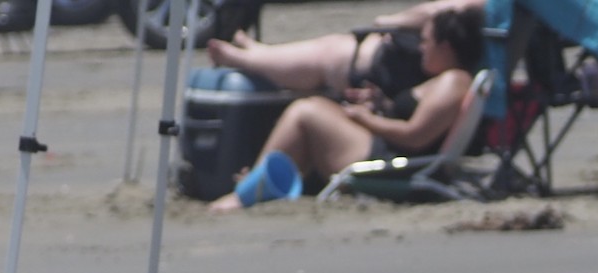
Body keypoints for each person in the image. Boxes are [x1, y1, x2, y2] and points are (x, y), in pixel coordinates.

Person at [208, 6, 484, 213]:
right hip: (390, 153)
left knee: (306, 112)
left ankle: (246, 193)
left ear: (446, 47)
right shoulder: (445, 81)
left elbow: (415, 136)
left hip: (393, 162)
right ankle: (259, 184)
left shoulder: (453, 82)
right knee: (314, 108)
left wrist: (366, 119)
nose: (421, 49)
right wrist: (381, 105)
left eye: (426, 42)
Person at [204, 0, 485, 96]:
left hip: (404, 69)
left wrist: (391, 21)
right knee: (335, 47)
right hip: (410, 60)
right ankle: (257, 53)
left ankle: (245, 59)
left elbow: (444, 10)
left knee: (329, 57)